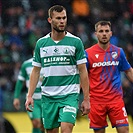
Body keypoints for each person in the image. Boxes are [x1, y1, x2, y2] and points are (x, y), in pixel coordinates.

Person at [25, 5, 90, 133]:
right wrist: (29, 96)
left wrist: (86, 99)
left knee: (66, 129)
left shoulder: (75, 42)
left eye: (64, 18)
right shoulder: (41, 44)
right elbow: (36, 71)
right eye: (58, 18)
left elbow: (83, 70)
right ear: (50, 20)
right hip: (48, 97)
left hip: (69, 95)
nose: (62, 21)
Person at [85, 20, 133, 133]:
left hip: (116, 100)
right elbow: (82, 76)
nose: (104, 34)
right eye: (101, 31)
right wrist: (84, 98)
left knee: (124, 130)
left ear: (111, 33)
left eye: (106, 31)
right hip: (96, 101)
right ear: (96, 34)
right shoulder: (88, 53)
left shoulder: (118, 52)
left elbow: (129, 71)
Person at [13, 58, 45, 133]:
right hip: (33, 99)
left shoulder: (48, 62)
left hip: (46, 99)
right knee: (36, 122)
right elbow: (20, 80)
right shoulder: (26, 64)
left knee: (44, 125)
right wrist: (16, 97)